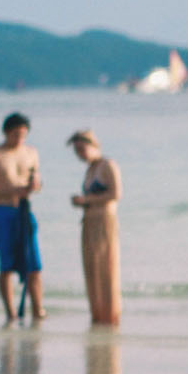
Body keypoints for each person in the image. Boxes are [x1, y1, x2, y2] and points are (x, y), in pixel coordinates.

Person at [0, 112, 44, 323]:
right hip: (2, 211)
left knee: (34, 264)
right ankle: (11, 313)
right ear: (7, 132)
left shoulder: (31, 152)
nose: (19, 138)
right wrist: (13, 189)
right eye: (16, 134)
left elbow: (38, 183)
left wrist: (34, 185)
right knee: (6, 265)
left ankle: (38, 310)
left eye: (23, 134)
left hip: (24, 211)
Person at [68, 130, 121, 326]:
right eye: (77, 151)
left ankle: (110, 316)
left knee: (106, 268)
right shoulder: (91, 169)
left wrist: (87, 199)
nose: (80, 154)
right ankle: (97, 316)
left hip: (104, 221)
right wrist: (83, 203)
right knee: (92, 270)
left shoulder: (107, 165)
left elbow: (116, 194)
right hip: (89, 221)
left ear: (93, 145)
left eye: (82, 149)